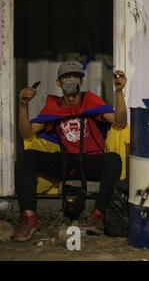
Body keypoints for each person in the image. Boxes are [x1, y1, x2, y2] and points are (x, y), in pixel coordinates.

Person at [13, 61, 128, 241]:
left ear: (81, 81)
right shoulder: (54, 106)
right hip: (66, 161)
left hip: (91, 162)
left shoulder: (91, 100)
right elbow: (27, 132)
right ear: (59, 83)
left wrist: (119, 92)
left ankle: (98, 215)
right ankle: (29, 217)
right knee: (27, 157)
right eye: (66, 77)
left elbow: (120, 122)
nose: (70, 80)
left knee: (113, 160)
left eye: (75, 76)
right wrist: (23, 105)